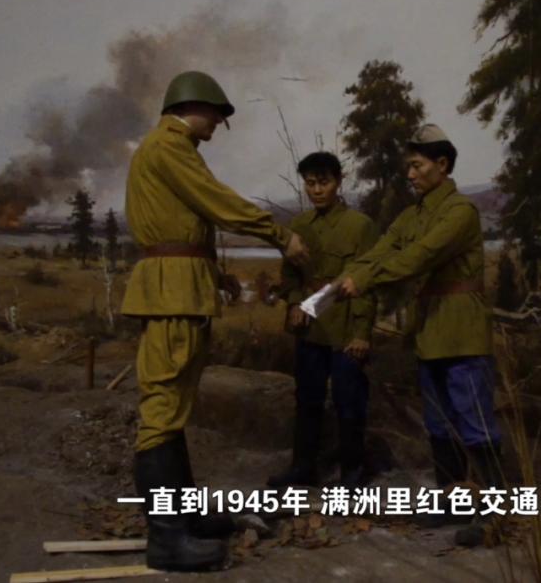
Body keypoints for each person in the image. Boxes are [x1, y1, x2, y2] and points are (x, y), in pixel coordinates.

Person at [120, 70, 310, 572]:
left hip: (179, 288)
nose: (217, 127)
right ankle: (167, 540)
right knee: (162, 411)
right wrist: (279, 235)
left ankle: (183, 519)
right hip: (173, 295)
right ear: (195, 106)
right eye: (216, 117)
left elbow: (182, 224)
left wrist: (213, 273)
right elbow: (218, 201)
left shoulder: (165, 149)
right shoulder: (170, 146)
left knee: (173, 409)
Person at [336, 124, 505, 547]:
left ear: (442, 164)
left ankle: (495, 515)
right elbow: (383, 249)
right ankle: (453, 503)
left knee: (475, 422)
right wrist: (346, 278)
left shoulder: (460, 212)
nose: (409, 175)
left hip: (462, 331)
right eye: (408, 167)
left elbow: (419, 256)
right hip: (430, 330)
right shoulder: (412, 214)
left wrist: (365, 280)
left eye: (417, 166)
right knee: (440, 424)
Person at [268, 152, 378, 490]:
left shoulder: (360, 226)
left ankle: (352, 476)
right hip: (311, 327)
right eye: (310, 183)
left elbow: (367, 284)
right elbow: (289, 276)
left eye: (324, 182)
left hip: (345, 327)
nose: (317, 190)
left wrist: (361, 333)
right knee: (307, 400)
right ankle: (303, 469)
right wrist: (293, 302)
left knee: (349, 402)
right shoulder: (300, 227)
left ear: (338, 181)